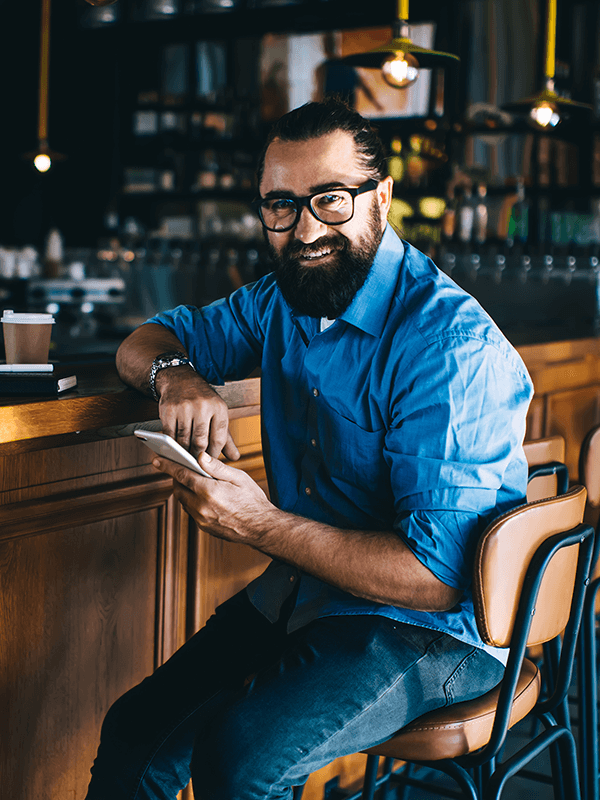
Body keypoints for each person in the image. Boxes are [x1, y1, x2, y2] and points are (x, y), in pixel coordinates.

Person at [85, 97, 533, 800]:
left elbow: (441, 576)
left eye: (329, 200)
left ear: (381, 196)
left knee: (241, 756)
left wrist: (257, 523)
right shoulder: (279, 300)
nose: (304, 230)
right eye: (280, 206)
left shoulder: (450, 348)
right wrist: (176, 377)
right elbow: (147, 340)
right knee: (136, 731)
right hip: (312, 593)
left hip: (431, 628)